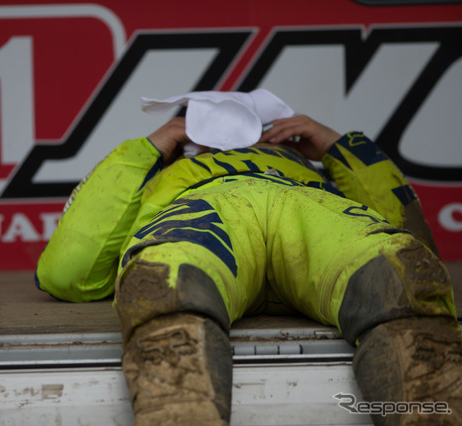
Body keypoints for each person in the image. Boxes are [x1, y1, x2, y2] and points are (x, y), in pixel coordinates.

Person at [35, 104, 461, 425]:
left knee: (401, 279)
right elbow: (70, 272)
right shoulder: (164, 171)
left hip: (309, 209)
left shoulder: (314, 171)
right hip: (207, 211)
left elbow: (414, 241)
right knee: (165, 287)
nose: (234, 136)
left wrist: (337, 147)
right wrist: (148, 150)